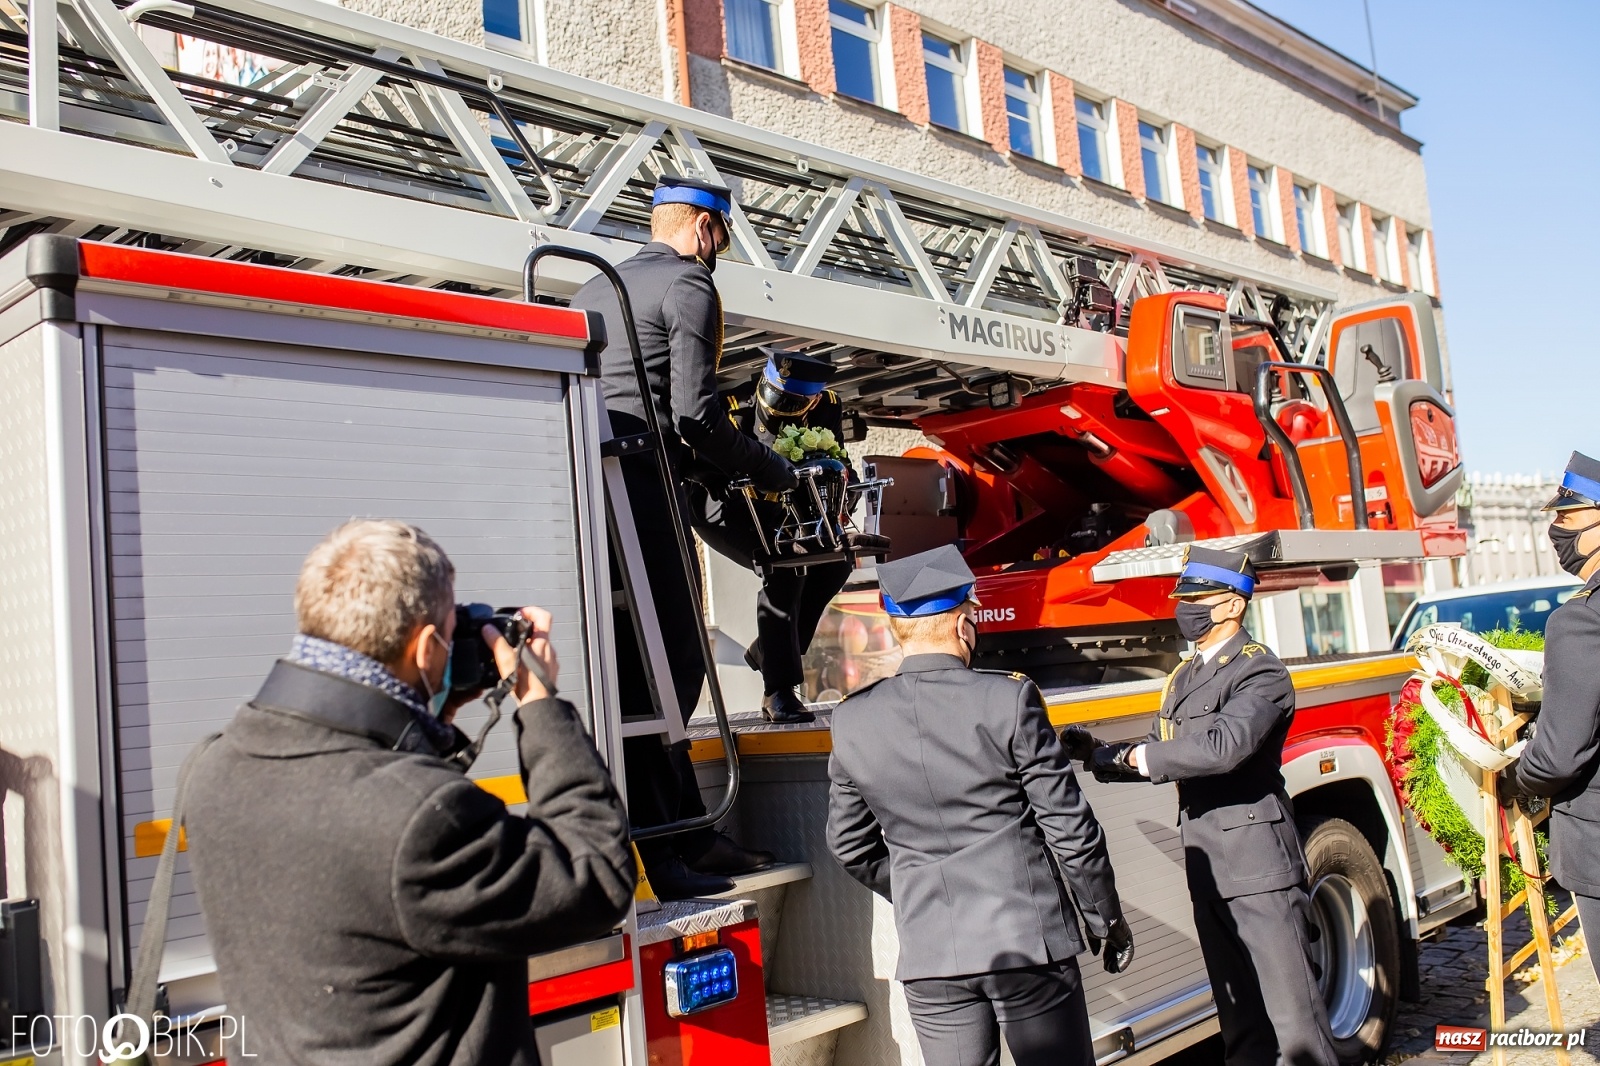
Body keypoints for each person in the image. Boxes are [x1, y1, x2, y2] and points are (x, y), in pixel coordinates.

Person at [185, 519, 635, 1066]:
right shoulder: (422, 820)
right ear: (425, 649)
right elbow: (595, 880)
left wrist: (432, 714)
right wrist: (539, 703)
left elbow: (358, 823)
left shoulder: (216, 765)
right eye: (450, 632)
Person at [572, 176, 794, 897]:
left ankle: (691, 835)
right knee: (674, 667)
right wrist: (772, 469)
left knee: (636, 672)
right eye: (722, 238)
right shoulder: (690, 285)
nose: (719, 251)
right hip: (645, 486)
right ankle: (668, 854)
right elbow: (696, 415)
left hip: (589, 491)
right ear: (705, 229)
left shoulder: (588, 291)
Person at [827, 544, 1132, 1066]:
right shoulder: (1007, 699)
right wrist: (1104, 919)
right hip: (1027, 945)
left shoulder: (852, 720)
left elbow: (849, 845)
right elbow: (1070, 830)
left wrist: (918, 889)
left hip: (931, 956)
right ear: (964, 625)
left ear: (899, 629)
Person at [1073, 546, 1337, 1066]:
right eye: (1184, 598)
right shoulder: (1186, 676)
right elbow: (1163, 747)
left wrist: (1134, 753)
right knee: (1241, 1028)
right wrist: (1096, 755)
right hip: (1209, 868)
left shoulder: (1260, 672)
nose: (1186, 608)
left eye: (1199, 598)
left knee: (1296, 1029)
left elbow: (1223, 748)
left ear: (1233, 606)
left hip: (1258, 868)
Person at [688, 349, 855, 723]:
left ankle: (768, 649)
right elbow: (700, 465)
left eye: (793, 402)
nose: (781, 407)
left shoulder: (827, 406)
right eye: (777, 396)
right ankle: (778, 691)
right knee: (785, 566)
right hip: (724, 507)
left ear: (812, 398)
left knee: (835, 562)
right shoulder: (732, 405)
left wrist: (846, 487)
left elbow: (838, 456)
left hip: (783, 508)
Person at [1500, 450, 1600, 982]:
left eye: (1568, 516)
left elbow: (1561, 754)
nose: (1556, 530)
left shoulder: (1581, 621)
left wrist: (1519, 774)